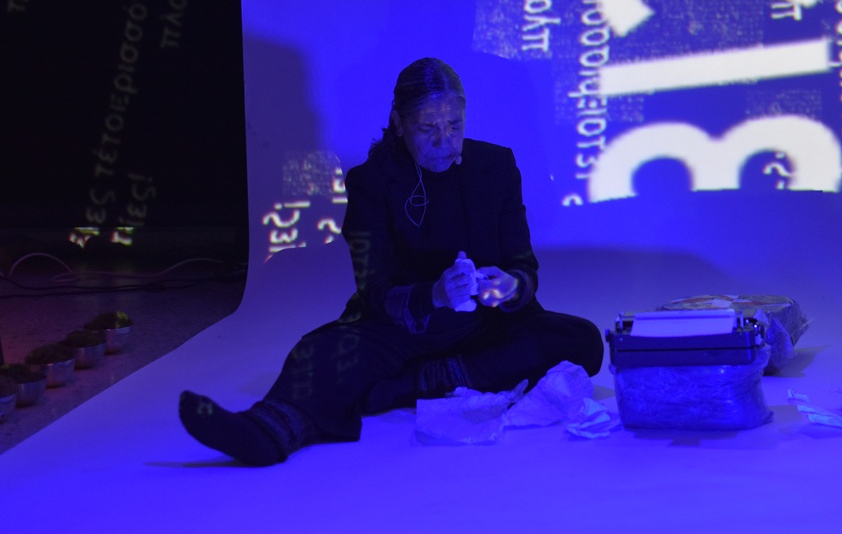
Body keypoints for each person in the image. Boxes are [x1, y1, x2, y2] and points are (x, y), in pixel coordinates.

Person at [180, 57, 604, 465]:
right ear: (399, 123)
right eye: (428, 128)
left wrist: (510, 287)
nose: (444, 141)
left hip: (485, 327)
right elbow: (374, 290)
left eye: (454, 125)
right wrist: (434, 295)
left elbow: (523, 264)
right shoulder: (371, 182)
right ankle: (271, 430)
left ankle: (417, 383)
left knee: (581, 339)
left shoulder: (496, 166)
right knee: (320, 351)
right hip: (403, 330)